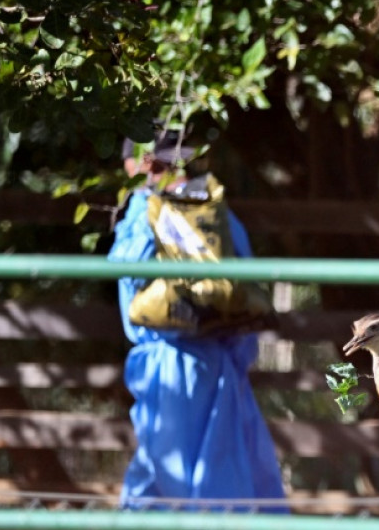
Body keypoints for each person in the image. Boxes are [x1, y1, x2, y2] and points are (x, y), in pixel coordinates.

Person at [108, 130, 287, 511]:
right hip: (222, 365)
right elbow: (244, 290)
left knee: (162, 477)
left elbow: (125, 277)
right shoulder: (217, 212)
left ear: (142, 163)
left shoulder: (145, 211)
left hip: (168, 364)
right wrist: (236, 363)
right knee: (226, 477)